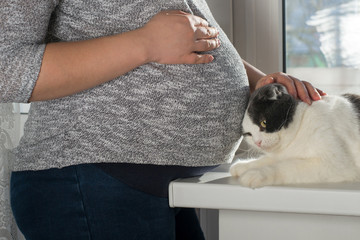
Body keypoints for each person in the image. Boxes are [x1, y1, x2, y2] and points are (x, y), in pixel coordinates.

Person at [1, 1, 324, 239]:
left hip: (155, 185)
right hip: (88, 181)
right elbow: (6, 71)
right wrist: (145, 43)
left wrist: (259, 84)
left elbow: (184, 42)